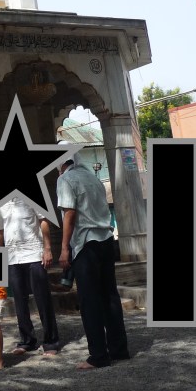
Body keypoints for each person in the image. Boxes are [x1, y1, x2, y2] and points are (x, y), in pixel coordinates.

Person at [57, 158, 130, 370]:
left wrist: (64, 249)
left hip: (85, 242)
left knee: (90, 301)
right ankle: (119, 349)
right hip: (106, 240)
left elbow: (69, 213)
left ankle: (98, 355)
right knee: (110, 296)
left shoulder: (66, 179)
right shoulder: (92, 177)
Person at [0, 196, 59, 356]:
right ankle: (27, 340)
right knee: (19, 302)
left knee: (43, 299)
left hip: (34, 254)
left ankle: (51, 341)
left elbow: (44, 221)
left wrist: (47, 249)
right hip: (13, 256)